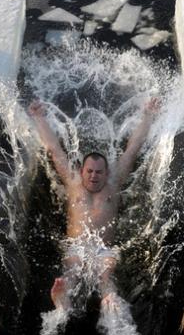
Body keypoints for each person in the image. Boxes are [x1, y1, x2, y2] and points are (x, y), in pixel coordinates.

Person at [28, 97, 160, 327]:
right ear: (82, 170)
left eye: (99, 172)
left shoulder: (114, 183)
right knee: (69, 272)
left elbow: (132, 149)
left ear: (107, 172)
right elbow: (54, 148)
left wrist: (148, 114)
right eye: (89, 171)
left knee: (106, 276)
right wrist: (39, 117)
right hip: (76, 245)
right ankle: (62, 303)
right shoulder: (72, 182)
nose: (93, 176)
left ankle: (110, 301)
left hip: (103, 248)